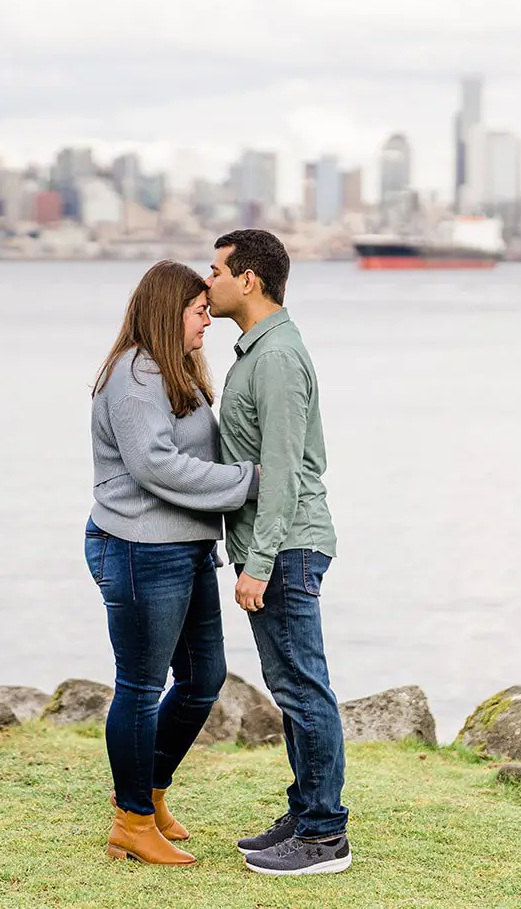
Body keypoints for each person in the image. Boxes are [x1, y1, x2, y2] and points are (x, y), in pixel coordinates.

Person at [86, 259, 260, 865]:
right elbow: (155, 466)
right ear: (168, 311)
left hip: (183, 547)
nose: (207, 319)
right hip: (138, 548)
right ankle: (131, 822)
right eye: (198, 310)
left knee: (203, 678)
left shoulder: (171, 371)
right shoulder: (135, 376)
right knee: (139, 685)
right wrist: (250, 481)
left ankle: (147, 793)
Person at [204, 229, 351, 876]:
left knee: (305, 689)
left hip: (285, 547)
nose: (206, 282)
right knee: (291, 688)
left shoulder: (277, 357)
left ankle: (324, 836)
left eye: (215, 270)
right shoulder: (257, 352)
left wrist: (259, 562)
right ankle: (304, 809)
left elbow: (284, 470)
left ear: (249, 280)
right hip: (272, 544)